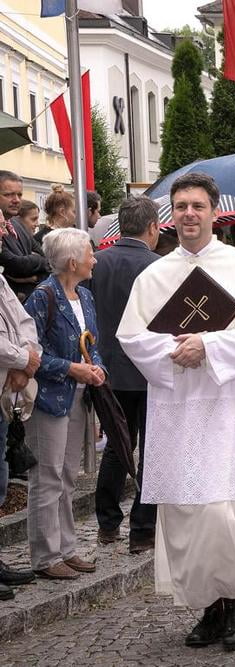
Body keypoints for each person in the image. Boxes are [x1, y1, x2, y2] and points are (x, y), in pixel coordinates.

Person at [117, 172, 235, 651]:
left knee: (222, 510)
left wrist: (209, 346)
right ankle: (209, 607)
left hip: (230, 408)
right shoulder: (154, 275)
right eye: (181, 206)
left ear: (215, 212)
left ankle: (234, 603)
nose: (189, 214)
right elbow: (132, 337)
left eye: (197, 206)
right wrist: (176, 351)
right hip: (178, 410)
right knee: (186, 513)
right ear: (169, 216)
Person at [23, 228, 105, 580]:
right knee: (47, 476)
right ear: (73, 262)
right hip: (49, 397)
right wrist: (72, 368)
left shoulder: (84, 295)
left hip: (79, 395)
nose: (94, 260)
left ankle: (66, 548)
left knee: (68, 474)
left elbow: (93, 341)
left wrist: (97, 367)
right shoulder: (43, 297)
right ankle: (46, 555)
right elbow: (31, 353)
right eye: (89, 254)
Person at [90, 196, 161, 554]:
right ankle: (143, 530)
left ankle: (107, 523)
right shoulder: (159, 266)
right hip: (150, 370)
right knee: (152, 449)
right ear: (153, 227)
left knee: (118, 446)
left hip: (108, 368)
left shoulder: (97, 262)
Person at [0, 218, 40, 600]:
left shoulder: (0, 278)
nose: (5, 231)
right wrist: (20, 360)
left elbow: (24, 322)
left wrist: (26, 358)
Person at [0, 172, 48, 300]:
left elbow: (46, 258)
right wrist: (35, 260)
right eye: (8, 195)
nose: (16, 200)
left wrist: (34, 274)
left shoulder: (17, 223)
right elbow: (16, 265)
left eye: (19, 195)